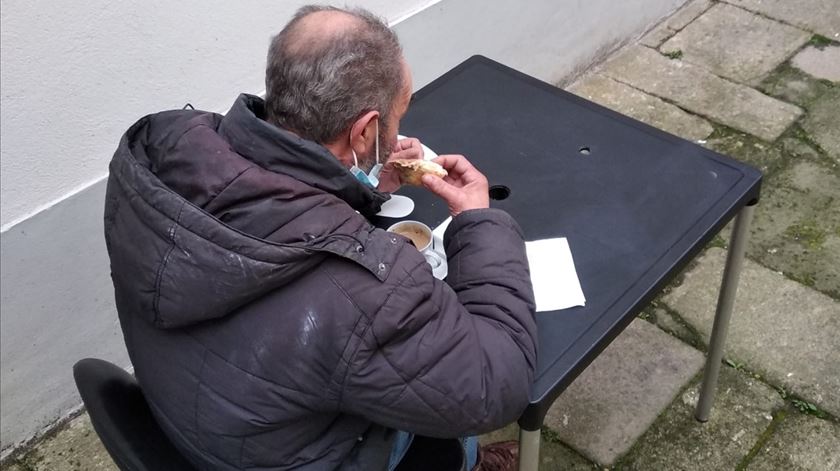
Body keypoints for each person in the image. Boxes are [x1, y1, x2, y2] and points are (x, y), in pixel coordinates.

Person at [104, 5, 536, 470]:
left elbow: (267, 215)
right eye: (396, 118)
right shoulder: (370, 295)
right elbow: (497, 383)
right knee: (443, 425)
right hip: (300, 456)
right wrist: (476, 219)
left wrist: (358, 185)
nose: (395, 135)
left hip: (201, 423)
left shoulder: (159, 159)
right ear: (366, 130)